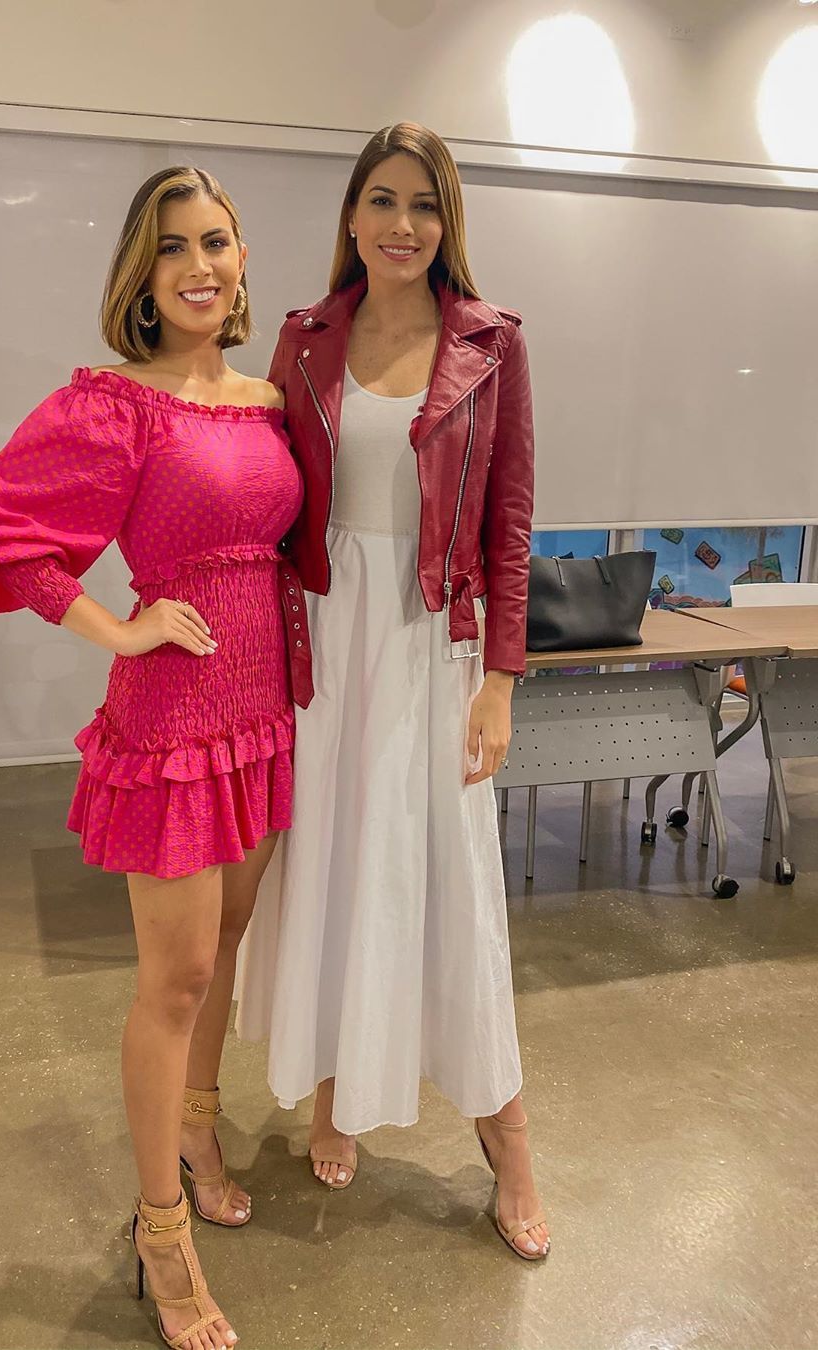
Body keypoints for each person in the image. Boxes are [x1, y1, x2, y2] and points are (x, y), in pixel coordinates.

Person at [0, 165, 313, 1348]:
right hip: (173, 721)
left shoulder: (270, 399)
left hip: (264, 710)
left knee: (229, 944)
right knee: (176, 981)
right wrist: (119, 626)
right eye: (173, 248)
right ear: (141, 276)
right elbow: (2, 541)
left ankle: (199, 1126)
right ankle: (162, 1234)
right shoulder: (115, 404)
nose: (200, 265)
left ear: (242, 256)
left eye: (216, 241)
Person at [237, 123, 550, 1260]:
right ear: (352, 214)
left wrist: (500, 681)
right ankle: (335, 1094)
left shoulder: (492, 344)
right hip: (324, 640)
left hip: (433, 643)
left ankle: (509, 1141)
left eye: (423, 203)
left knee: (452, 887)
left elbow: (510, 522)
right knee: (331, 867)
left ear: (446, 219)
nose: (402, 224)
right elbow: (267, 496)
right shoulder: (305, 336)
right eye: (382, 199)